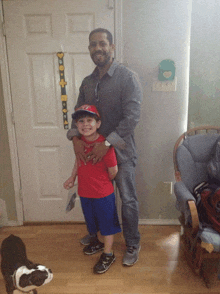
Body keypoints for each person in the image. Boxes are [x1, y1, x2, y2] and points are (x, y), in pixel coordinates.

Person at [67, 28, 143, 266]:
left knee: (128, 200)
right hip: (92, 157)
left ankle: (132, 243)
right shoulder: (87, 83)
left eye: (102, 44)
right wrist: (75, 140)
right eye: (92, 44)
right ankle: (99, 237)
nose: (97, 48)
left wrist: (107, 143)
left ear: (112, 47)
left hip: (121, 153)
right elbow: (78, 115)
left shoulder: (127, 77)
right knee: (96, 199)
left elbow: (132, 117)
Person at [64, 104, 121, 274]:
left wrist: (100, 183)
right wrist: (72, 177)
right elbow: (78, 161)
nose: (85, 124)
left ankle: (108, 253)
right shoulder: (79, 144)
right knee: (91, 221)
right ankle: (96, 242)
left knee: (107, 225)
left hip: (103, 194)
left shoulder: (105, 146)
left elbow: (114, 171)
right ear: (77, 125)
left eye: (90, 120)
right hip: (85, 192)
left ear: (98, 123)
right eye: (81, 121)